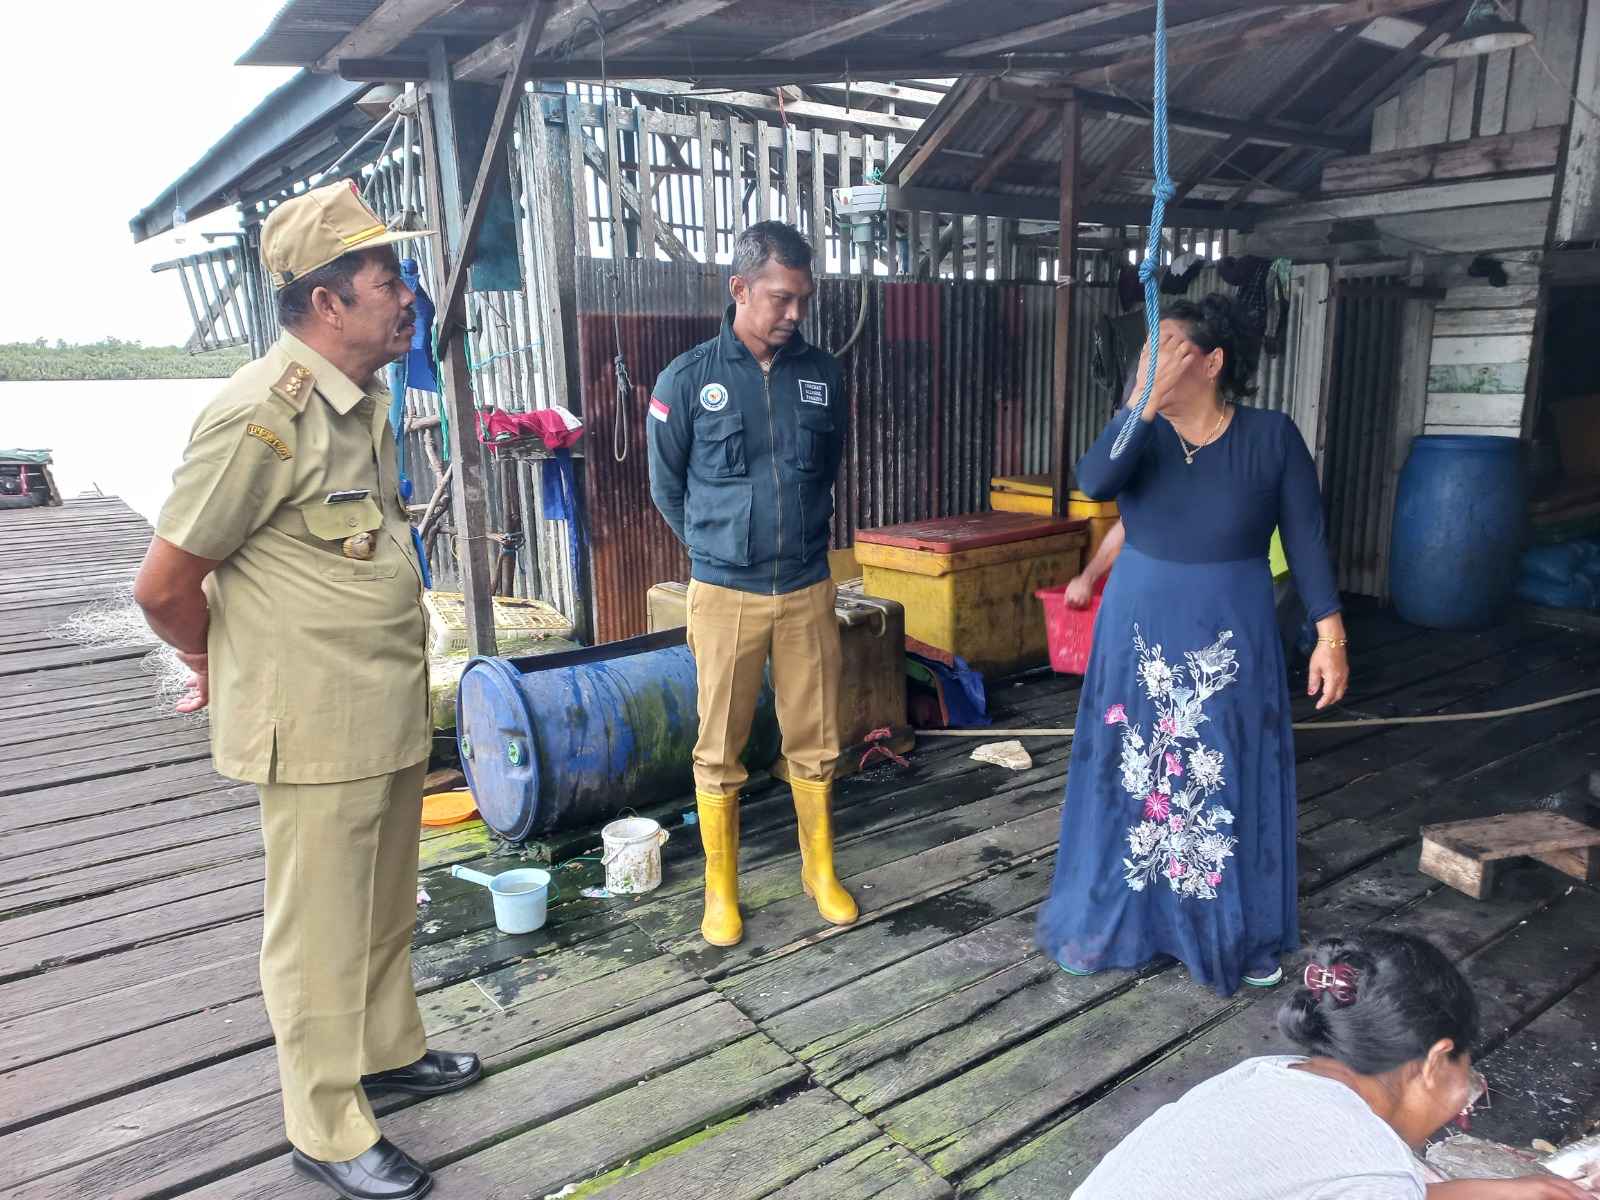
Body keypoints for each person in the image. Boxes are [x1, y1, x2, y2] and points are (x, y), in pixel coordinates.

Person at [134, 179, 478, 1200]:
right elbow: (164, 585)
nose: (407, 296)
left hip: (381, 707)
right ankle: (325, 1127)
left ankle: (383, 1051)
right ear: (327, 302)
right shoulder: (259, 416)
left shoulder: (359, 401)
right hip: (314, 725)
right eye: (387, 281)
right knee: (317, 932)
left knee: (381, 910)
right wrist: (208, 663)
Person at [1035, 294, 1350, 996]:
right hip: (1140, 624)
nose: (1153, 360)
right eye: (1148, 351)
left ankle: (1236, 930)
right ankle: (1124, 922)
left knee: (1223, 766)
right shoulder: (1136, 436)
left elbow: (1306, 542)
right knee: (1135, 766)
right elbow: (1094, 481)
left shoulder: (1271, 436)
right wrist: (1141, 402)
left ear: (1211, 362)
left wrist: (1330, 635)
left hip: (1230, 627)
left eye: (1170, 348)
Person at [647, 221, 856, 948]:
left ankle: (818, 871)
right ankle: (721, 890)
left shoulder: (823, 375)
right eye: (780, 298)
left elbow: (825, 471)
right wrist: (716, 549)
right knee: (719, 745)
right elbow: (667, 487)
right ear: (739, 290)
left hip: (805, 586)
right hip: (725, 592)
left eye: (803, 299)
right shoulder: (687, 378)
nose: (794, 314)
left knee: (817, 736)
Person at [1072, 931, 1589, 1199]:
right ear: (1434, 1062)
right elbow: (1368, 1182)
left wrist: (1506, 1191)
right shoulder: (1367, 1163)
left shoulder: (1266, 1077)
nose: (1463, 1098)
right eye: (1464, 1074)